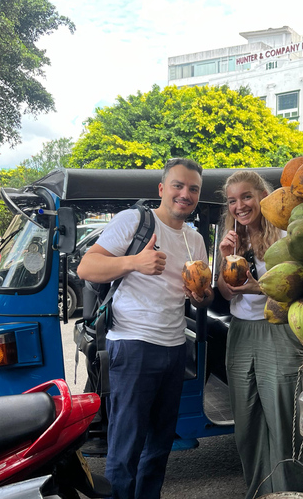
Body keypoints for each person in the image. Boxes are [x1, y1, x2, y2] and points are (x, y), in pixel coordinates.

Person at [76, 158, 213, 499]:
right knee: (126, 446)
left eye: (193, 189)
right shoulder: (135, 221)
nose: (185, 194)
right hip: (134, 345)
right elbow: (86, 267)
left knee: (160, 445)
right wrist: (135, 262)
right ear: (162, 189)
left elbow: (203, 299)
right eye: (178, 186)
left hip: (174, 347)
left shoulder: (194, 240)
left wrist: (201, 295)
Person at [216, 170, 303, 499]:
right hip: (241, 333)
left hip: (280, 331)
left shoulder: (284, 234)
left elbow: (301, 289)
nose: (240, 205)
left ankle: (291, 492)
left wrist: (258, 287)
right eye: (232, 200)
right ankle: (258, 493)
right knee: (247, 422)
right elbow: (227, 296)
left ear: (262, 196)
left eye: (246, 197)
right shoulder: (229, 238)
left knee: (284, 420)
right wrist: (227, 260)